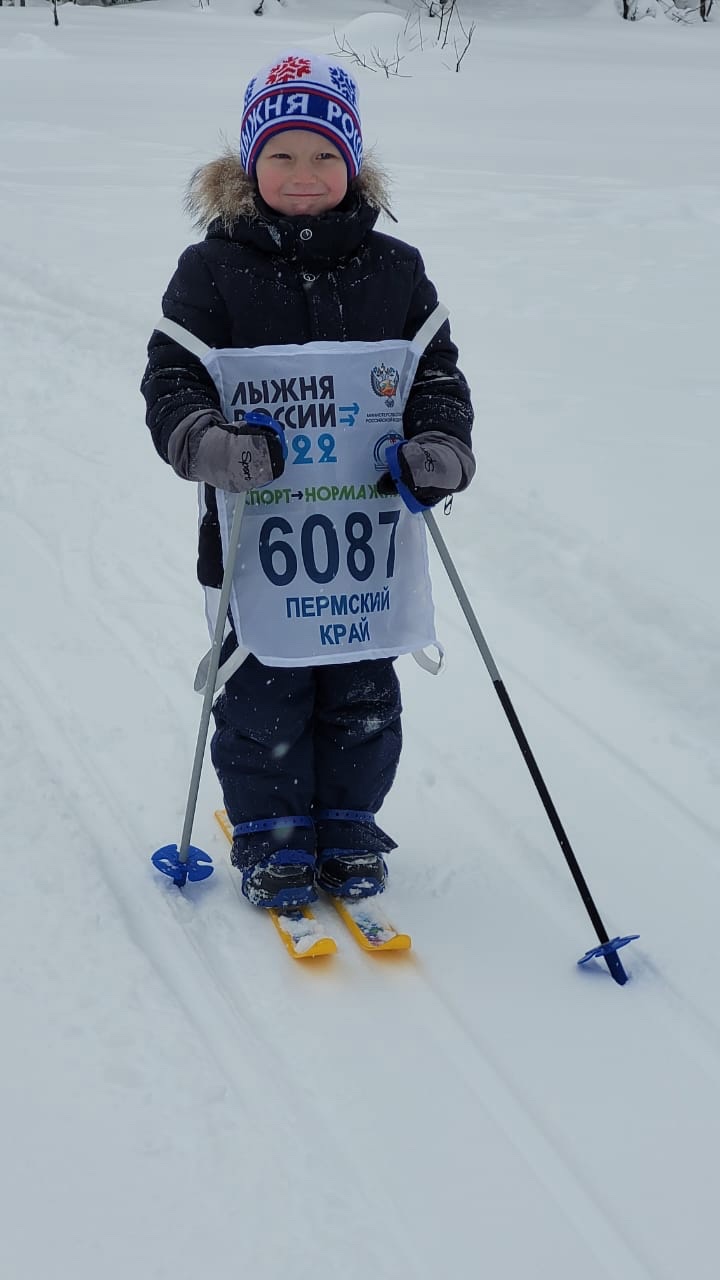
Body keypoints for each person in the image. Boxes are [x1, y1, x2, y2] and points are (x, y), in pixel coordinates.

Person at [141, 51, 475, 911]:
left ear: (353, 163)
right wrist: (209, 443)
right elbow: (172, 382)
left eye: (326, 155)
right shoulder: (210, 269)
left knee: (363, 691)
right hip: (254, 538)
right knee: (264, 690)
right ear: (249, 162)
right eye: (282, 154)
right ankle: (273, 832)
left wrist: (441, 447)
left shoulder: (396, 269)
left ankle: (350, 820)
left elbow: (436, 375)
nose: (304, 174)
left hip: (369, 540)